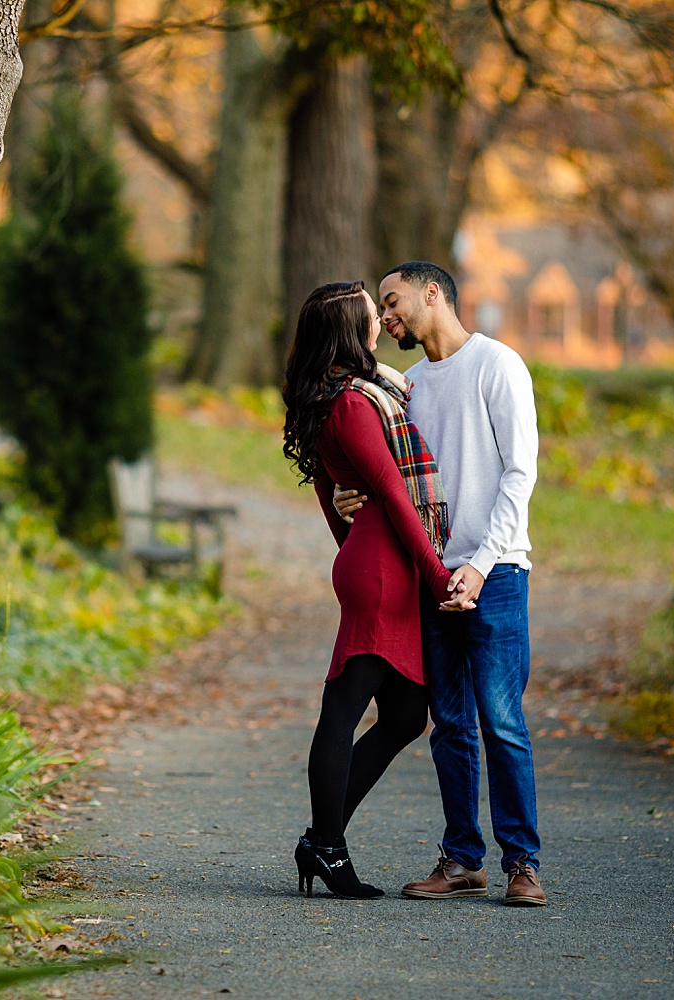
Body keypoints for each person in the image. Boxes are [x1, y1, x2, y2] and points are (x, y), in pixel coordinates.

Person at [335, 261, 546, 907]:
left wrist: (480, 565)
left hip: (497, 572)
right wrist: (354, 496)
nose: (387, 317)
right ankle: (462, 860)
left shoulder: (497, 364)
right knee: (449, 723)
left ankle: (522, 865)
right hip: (430, 575)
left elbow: (519, 473)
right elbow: (395, 477)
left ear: (433, 294)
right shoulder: (408, 386)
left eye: (393, 302)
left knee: (501, 720)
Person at [281, 281, 462, 899]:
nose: (380, 323)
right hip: (383, 573)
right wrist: (436, 575)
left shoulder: (349, 393)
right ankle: (328, 846)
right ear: (347, 330)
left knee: (408, 715)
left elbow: (334, 493)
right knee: (344, 709)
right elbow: (391, 490)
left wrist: (345, 533)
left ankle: (319, 839)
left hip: (379, 564)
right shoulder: (354, 404)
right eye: (369, 315)